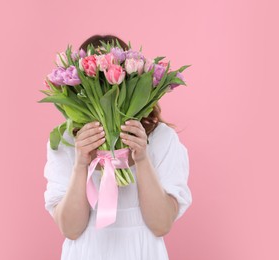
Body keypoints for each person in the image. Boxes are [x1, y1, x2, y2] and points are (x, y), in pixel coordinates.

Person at [43, 35, 193, 259]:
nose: (105, 90)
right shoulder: (67, 141)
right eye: (95, 81)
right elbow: (71, 229)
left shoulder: (162, 138)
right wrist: (81, 163)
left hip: (142, 251)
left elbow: (161, 225)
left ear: (130, 78)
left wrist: (142, 158)